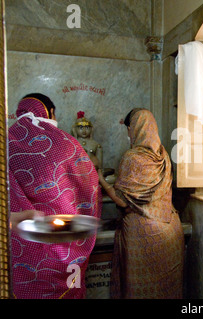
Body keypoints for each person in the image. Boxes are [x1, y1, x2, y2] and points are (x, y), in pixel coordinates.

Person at [8, 93, 102, 299]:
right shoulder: (67, 143)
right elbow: (89, 186)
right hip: (63, 247)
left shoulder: (5, 142)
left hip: (22, 250)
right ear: (50, 112)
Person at [98, 108, 184, 299]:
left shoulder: (132, 158)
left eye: (129, 128)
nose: (128, 134)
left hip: (142, 235)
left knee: (140, 291)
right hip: (170, 230)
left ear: (134, 128)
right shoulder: (164, 157)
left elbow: (121, 200)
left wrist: (100, 180)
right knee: (166, 292)